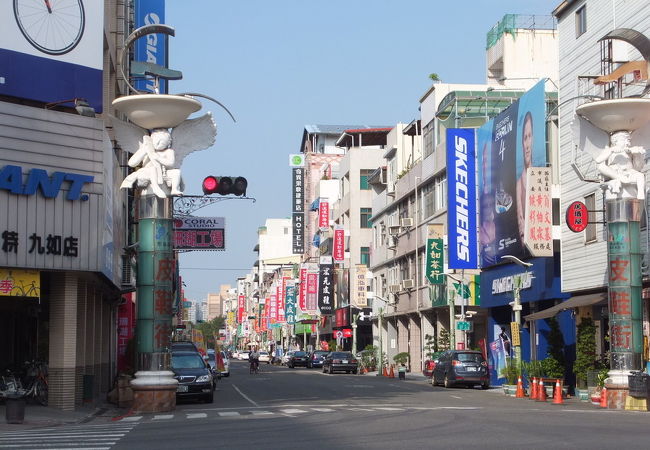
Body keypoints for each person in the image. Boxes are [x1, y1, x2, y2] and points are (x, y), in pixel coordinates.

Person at [516, 111, 534, 243]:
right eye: (525, 137)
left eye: (530, 136)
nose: (527, 144)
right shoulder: (519, 185)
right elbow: (521, 227)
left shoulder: (541, 175)